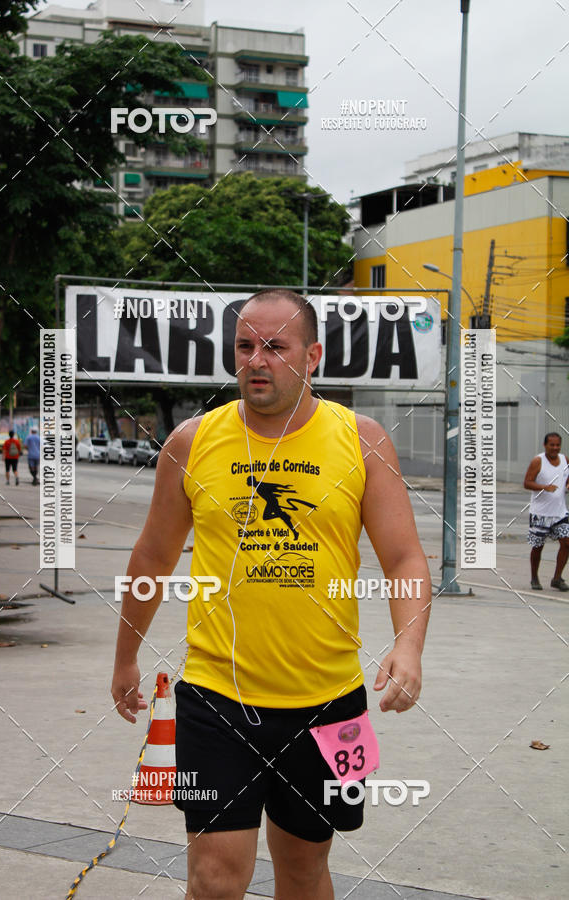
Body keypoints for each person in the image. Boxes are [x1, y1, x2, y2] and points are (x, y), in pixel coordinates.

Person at [112, 290, 431, 899]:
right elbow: (153, 556)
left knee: (305, 873)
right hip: (216, 697)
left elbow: (403, 557)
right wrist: (125, 656)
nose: (257, 360)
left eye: (274, 347)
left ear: (311, 355)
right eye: (244, 346)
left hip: (330, 704)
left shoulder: (361, 440)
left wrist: (408, 645)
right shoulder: (191, 442)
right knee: (213, 878)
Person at [524, 432, 569, 591]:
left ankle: (557, 578)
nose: (555, 448)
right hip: (540, 513)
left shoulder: (565, 460)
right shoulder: (538, 461)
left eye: (558, 445)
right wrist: (544, 487)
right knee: (538, 546)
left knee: (567, 542)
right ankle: (534, 578)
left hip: (560, 512)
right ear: (545, 445)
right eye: (552, 445)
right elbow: (527, 482)